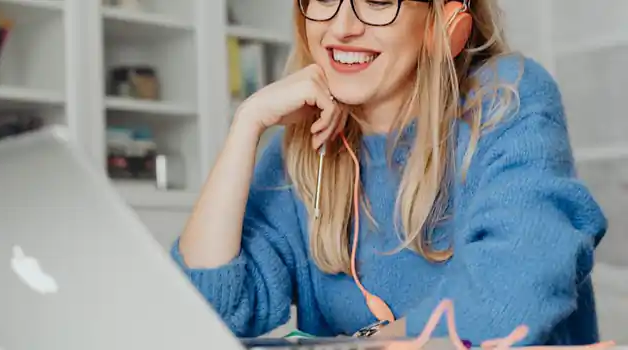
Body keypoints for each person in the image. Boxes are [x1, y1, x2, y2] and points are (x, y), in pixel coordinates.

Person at [172, 0, 608, 346]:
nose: (341, 27)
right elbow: (204, 312)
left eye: (379, 2)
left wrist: (364, 342)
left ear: (445, 21)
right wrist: (246, 125)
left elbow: (509, 300)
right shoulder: (303, 150)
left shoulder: (507, 98)